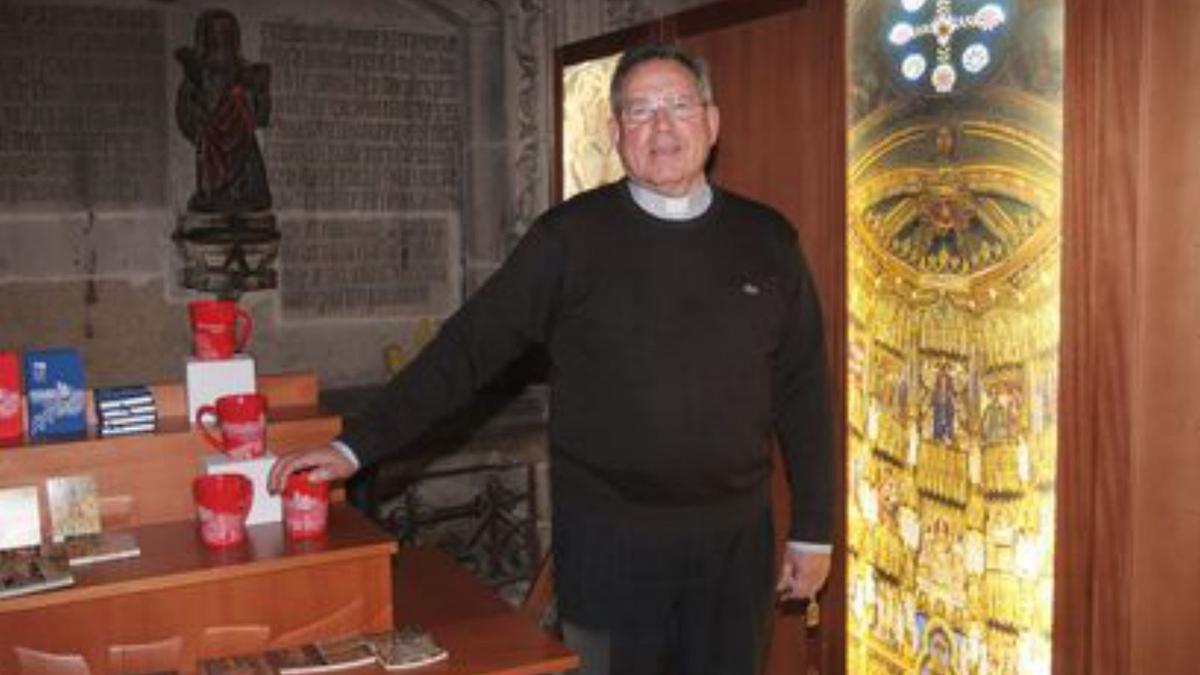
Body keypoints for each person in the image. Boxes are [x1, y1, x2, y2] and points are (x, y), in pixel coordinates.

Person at [269, 43, 833, 675]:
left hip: (735, 543)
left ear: (712, 121)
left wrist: (814, 529)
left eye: (678, 105)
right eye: (640, 111)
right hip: (609, 544)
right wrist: (355, 446)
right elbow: (467, 349)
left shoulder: (768, 240)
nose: (662, 127)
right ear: (617, 132)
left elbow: (805, 388)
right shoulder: (569, 240)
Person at [175, 9, 273, 214]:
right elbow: (186, 117)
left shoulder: (246, 73)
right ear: (206, 39)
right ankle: (217, 192)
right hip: (213, 152)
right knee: (214, 193)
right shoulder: (198, 76)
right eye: (215, 35)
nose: (221, 40)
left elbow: (261, 118)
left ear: (234, 39)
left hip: (244, 155)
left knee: (252, 197)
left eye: (226, 34)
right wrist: (202, 114)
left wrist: (262, 91)